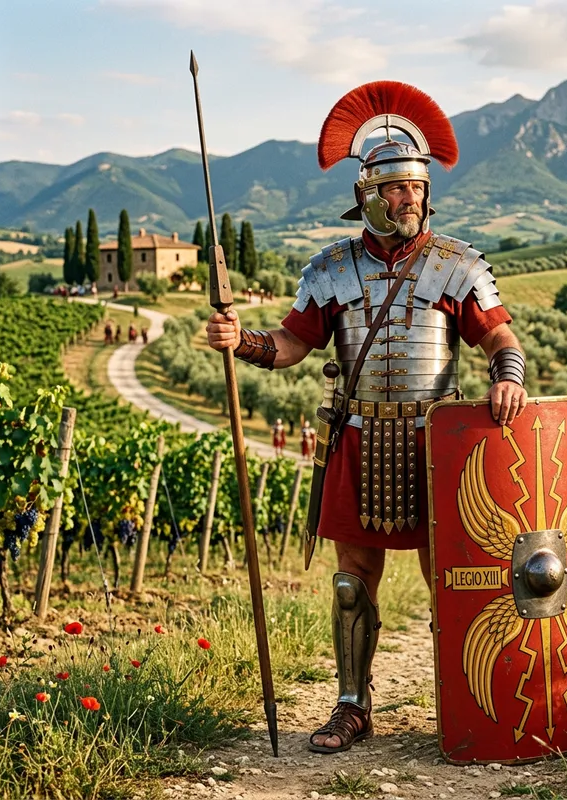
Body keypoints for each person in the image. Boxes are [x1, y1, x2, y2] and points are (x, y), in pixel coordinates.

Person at [206, 81, 527, 754]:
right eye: (394, 189)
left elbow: (500, 336)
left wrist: (508, 377)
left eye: (415, 188)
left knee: (455, 579)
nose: (408, 199)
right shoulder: (330, 269)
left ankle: (465, 699)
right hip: (359, 438)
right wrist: (247, 343)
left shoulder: (457, 265)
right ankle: (353, 705)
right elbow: (293, 345)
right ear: (366, 195)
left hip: (437, 445)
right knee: (353, 582)